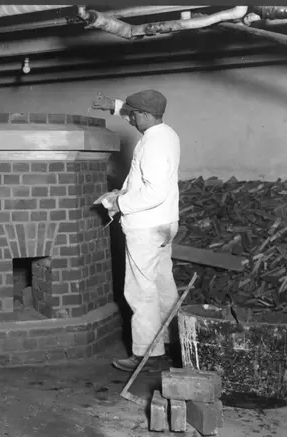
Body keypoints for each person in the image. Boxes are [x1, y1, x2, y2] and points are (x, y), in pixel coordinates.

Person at [91, 90, 181, 373]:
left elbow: (154, 192)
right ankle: (173, 342)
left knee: (141, 290)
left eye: (133, 115)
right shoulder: (167, 133)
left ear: (144, 115)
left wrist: (119, 202)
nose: (130, 119)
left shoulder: (153, 144)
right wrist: (114, 106)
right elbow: (153, 187)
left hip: (146, 227)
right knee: (163, 285)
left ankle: (147, 354)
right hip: (164, 224)